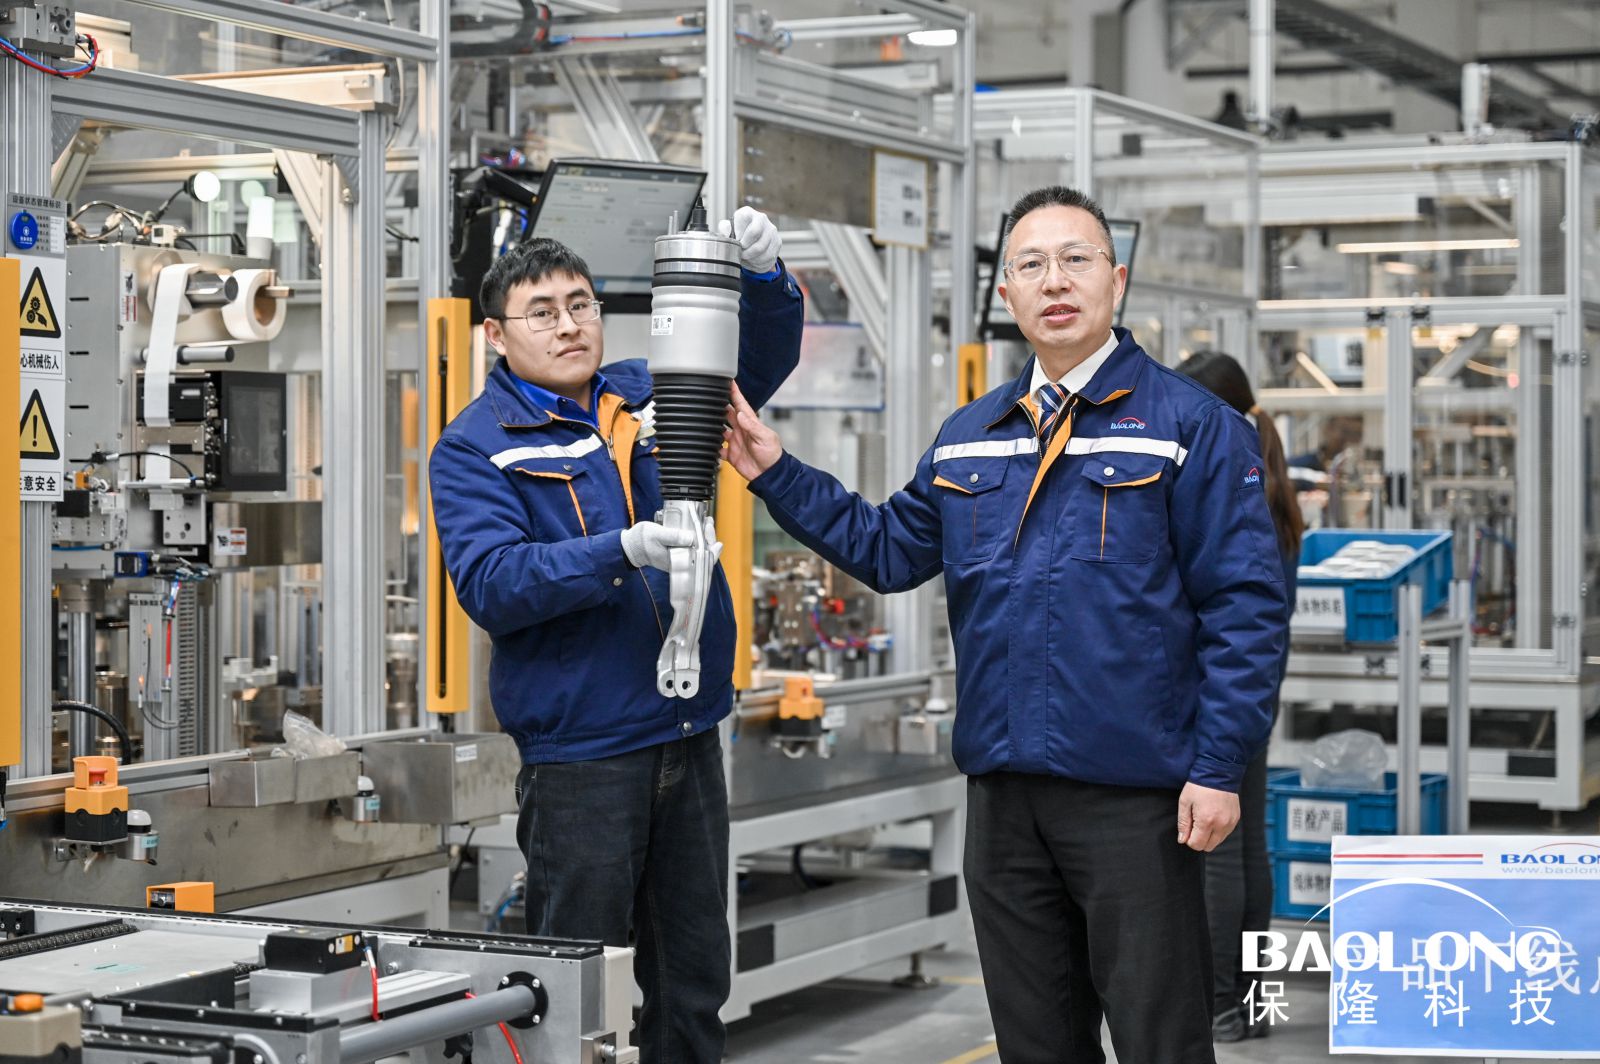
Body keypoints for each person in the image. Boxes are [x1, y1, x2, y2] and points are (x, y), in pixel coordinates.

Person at [723, 185, 1287, 1063]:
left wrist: (1217, 769)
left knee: (1160, 1041)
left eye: (1076, 260)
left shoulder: (1192, 427)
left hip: (1136, 801)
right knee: (1035, 1044)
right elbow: (887, 549)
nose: (1054, 281)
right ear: (1008, 293)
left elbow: (1245, 610)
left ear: (1116, 281)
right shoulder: (972, 435)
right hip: (1005, 803)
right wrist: (775, 471)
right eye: (1031, 264)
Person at [428, 209, 802, 1063]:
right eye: (542, 312)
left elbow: (754, 363)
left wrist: (767, 279)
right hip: (583, 759)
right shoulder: (476, 448)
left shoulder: (648, 390)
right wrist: (619, 551)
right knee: (577, 988)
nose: (568, 325)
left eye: (581, 305)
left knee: (694, 982)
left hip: (688, 734)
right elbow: (493, 584)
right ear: (495, 335)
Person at [1176, 351, 1303, 1042]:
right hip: (1256, 687)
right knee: (1249, 848)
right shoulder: (1271, 482)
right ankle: (1251, 1001)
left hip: (1219, 690)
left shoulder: (1230, 476)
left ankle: (1221, 1003)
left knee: (1218, 853)